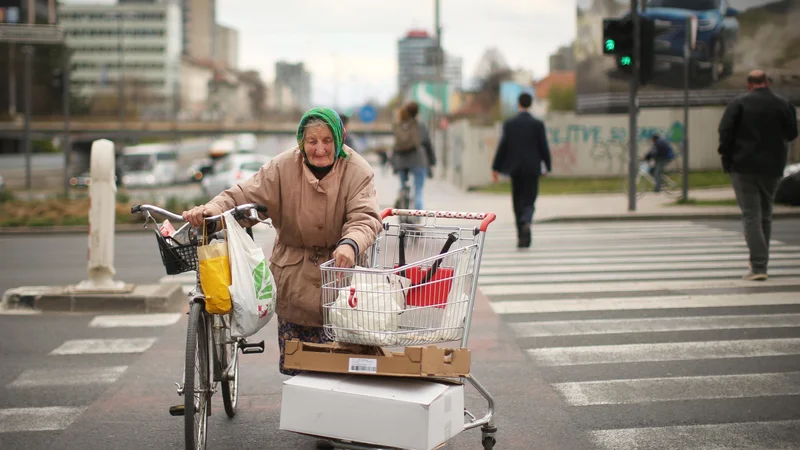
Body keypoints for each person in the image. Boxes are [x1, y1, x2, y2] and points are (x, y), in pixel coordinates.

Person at [183, 107, 383, 374]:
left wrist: (350, 244)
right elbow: (242, 195)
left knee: (341, 372)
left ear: (340, 138)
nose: (320, 149)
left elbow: (365, 216)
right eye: (312, 141)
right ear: (302, 142)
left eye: (327, 141)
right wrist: (212, 209)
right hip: (294, 279)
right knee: (297, 369)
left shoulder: (358, 170)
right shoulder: (282, 167)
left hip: (342, 281)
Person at [718, 70, 798, 281]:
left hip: (743, 166)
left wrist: (727, 158)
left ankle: (758, 266)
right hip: (772, 167)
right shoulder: (783, 104)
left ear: (749, 84)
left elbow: (725, 132)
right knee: (765, 214)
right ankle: (761, 262)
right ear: (767, 82)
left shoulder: (738, 104)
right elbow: (792, 133)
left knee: (751, 214)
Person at [491, 92, 552, 248]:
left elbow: (503, 147)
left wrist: (496, 168)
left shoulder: (510, 124)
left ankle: (521, 236)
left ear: (518, 104)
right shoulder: (537, 124)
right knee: (530, 200)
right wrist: (548, 166)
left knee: (517, 201)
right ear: (530, 104)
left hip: (515, 169)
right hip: (532, 168)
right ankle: (527, 220)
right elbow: (543, 147)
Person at [391, 101, 436, 210]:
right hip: (418, 160)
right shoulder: (420, 125)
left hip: (401, 161)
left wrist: (394, 164)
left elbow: (395, 146)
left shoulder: (399, 124)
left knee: (403, 186)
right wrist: (432, 162)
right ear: (417, 112)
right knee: (418, 191)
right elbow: (427, 144)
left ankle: (403, 200)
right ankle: (417, 218)